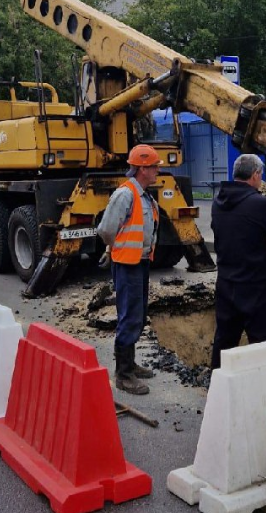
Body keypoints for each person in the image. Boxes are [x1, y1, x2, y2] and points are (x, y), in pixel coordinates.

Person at [210, 153, 266, 369]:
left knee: (225, 341)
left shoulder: (217, 202)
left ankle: (217, 389)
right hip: (256, 286)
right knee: (262, 344)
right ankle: (262, 396)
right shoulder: (259, 204)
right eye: (260, 175)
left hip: (225, 284)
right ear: (255, 175)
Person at [97, 144, 161, 395]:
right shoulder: (125, 195)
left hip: (139, 261)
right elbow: (105, 230)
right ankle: (123, 375)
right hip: (127, 263)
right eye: (154, 166)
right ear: (142, 168)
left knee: (138, 313)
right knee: (129, 316)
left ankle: (130, 364)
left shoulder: (144, 195)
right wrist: (115, 249)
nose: (157, 170)